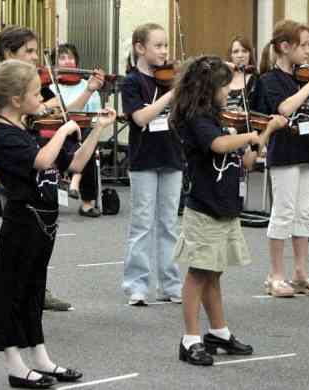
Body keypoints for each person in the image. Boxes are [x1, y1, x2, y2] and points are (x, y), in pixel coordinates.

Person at [0, 59, 116, 388]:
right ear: (15, 99)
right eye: (37, 93)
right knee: (11, 293)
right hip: (21, 224)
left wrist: (97, 129)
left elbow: (75, 161)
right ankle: (14, 364)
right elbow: (41, 161)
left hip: (45, 226)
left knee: (34, 292)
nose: (43, 99)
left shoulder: (30, 129)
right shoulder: (3, 135)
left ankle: (40, 357)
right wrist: (65, 129)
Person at [169, 55, 288, 366]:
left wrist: (266, 132)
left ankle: (218, 332)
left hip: (226, 206)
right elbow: (218, 146)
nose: (229, 92)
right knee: (198, 273)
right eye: (224, 87)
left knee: (214, 273)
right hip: (204, 207)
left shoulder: (221, 119)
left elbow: (247, 161)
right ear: (208, 89)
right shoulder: (198, 120)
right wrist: (247, 135)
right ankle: (191, 338)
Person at [0, 25, 104, 310]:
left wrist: (87, 90)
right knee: (21, 233)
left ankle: (37, 290)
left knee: (42, 233)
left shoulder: (38, 85)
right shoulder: (2, 87)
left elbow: (61, 109)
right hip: (18, 165)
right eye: (30, 51)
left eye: (37, 51)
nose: (37, 58)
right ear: (9, 54)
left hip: (40, 154)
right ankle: (20, 295)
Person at [256, 20, 309, 297]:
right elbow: (284, 108)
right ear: (285, 47)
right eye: (304, 45)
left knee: (303, 215)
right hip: (284, 153)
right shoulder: (269, 80)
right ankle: (275, 275)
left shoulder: (305, 76)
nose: (308, 52)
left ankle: (300, 272)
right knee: (283, 213)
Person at [121, 22, 184, 306]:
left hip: (172, 156)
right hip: (144, 160)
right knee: (142, 225)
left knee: (169, 224)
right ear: (140, 48)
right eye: (158, 45)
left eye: (166, 45)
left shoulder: (171, 79)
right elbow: (140, 118)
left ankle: (171, 284)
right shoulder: (132, 82)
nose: (164, 51)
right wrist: (171, 95)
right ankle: (136, 285)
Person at [50, 43, 102, 217]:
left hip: (82, 131)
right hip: (58, 133)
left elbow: (94, 115)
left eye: (71, 57)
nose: (68, 61)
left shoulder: (89, 85)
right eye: (62, 58)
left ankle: (84, 199)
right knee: (82, 142)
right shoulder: (51, 88)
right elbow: (60, 115)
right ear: (55, 63)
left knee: (88, 138)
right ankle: (77, 187)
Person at [225, 36, 260, 111]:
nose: (240, 55)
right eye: (235, 52)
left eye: (244, 51)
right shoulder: (223, 80)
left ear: (250, 55)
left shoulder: (257, 80)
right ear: (231, 56)